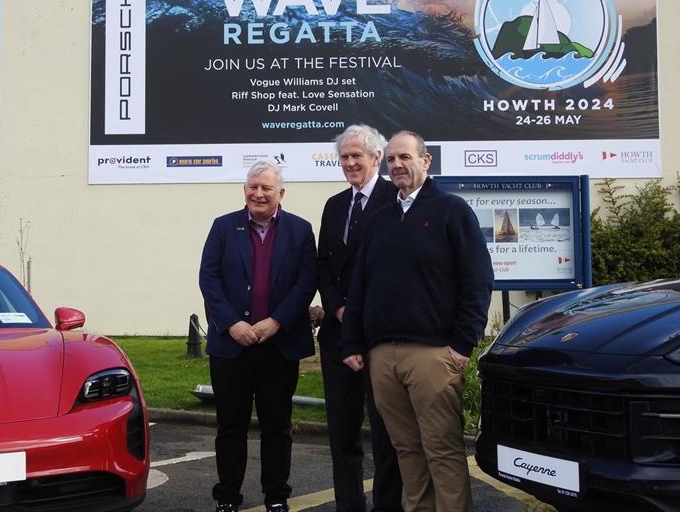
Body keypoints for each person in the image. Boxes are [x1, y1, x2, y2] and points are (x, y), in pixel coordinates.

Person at [341, 131, 493, 512]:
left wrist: (462, 347)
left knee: (442, 451)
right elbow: (360, 286)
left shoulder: (451, 211)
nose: (397, 165)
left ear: (426, 162)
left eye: (405, 157)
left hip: (434, 355)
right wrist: (352, 342)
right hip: (383, 358)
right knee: (406, 451)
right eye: (391, 159)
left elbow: (477, 280)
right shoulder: (378, 222)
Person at [199, 160, 317, 512]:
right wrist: (232, 323)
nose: (259, 193)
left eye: (266, 188)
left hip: (279, 345)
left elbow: (305, 282)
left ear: (281, 193)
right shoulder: (223, 227)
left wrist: (277, 321)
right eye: (253, 187)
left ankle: (277, 497)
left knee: (276, 427)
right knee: (230, 427)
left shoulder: (300, 230)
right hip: (231, 345)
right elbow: (209, 279)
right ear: (245, 190)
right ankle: (228, 498)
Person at [316, 124, 403, 512]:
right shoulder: (335, 205)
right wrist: (337, 308)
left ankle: (388, 506)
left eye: (357, 156)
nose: (350, 163)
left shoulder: (395, 199)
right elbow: (323, 266)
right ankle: (348, 506)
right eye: (344, 157)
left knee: (386, 433)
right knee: (342, 432)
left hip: (380, 335)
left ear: (376, 158)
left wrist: (362, 314)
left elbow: (398, 268)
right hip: (338, 336)